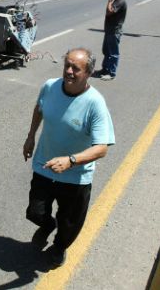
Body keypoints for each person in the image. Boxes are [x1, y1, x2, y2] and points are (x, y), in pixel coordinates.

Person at [23, 47, 115, 268]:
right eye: (67, 65)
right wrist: (30, 136)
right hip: (44, 166)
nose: (69, 71)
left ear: (88, 73)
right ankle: (46, 224)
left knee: (69, 224)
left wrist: (70, 160)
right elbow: (40, 108)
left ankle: (59, 247)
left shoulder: (95, 104)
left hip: (75, 177)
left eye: (76, 68)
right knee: (35, 212)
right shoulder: (50, 86)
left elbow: (102, 148)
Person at [99, 0, 127, 81]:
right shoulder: (115, 1)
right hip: (109, 30)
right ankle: (105, 69)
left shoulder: (120, 2)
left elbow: (109, 12)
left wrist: (110, 0)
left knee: (113, 53)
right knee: (106, 51)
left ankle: (111, 73)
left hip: (114, 31)